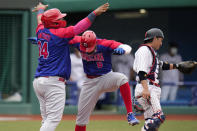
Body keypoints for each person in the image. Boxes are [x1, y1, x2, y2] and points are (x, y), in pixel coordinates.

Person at [31, 2, 109, 131]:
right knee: (53, 120)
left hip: (39, 81)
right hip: (53, 82)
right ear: (54, 22)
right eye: (59, 19)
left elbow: (40, 19)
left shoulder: (40, 30)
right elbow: (79, 27)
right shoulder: (60, 34)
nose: (62, 19)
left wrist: (40, 10)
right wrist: (94, 13)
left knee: (46, 120)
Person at [69, 30, 139, 131]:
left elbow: (127, 47)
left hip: (106, 77)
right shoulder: (78, 41)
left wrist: (122, 50)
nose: (88, 50)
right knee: (81, 119)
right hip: (89, 82)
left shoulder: (104, 44)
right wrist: (43, 39)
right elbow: (60, 37)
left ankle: (130, 114)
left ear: (95, 42)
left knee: (122, 78)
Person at [133, 28, 183, 131]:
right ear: (155, 38)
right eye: (160, 40)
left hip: (150, 87)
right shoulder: (144, 50)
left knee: (152, 123)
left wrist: (178, 66)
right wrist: (145, 89)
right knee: (159, 118)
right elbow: (142, 72)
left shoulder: (150, 52)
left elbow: (161, 65)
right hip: (148, 87)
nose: (161, 44)